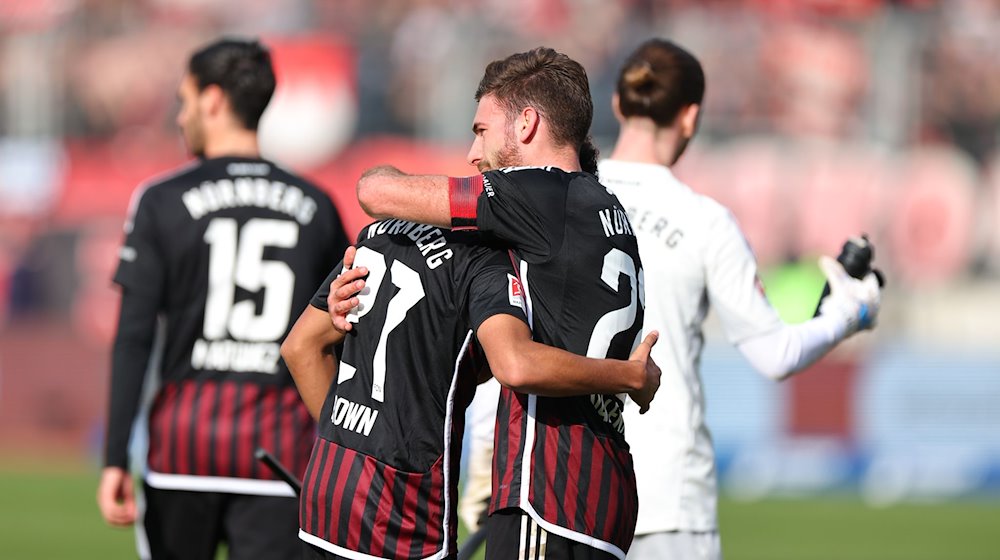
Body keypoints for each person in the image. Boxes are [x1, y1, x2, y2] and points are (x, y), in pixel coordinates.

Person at [353, 47, 646, 560]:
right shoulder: (603, 204)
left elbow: (377, 192)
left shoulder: (535, 192)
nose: (473, 151)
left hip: (550, 490)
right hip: (606, 488)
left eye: (483, 130)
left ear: (528, 123)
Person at [599, 39, 883, 559]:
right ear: (690, 117)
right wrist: (850, 311)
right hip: (669, 495)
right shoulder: (705, 222)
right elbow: (776, 354)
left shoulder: (564, 195)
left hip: (567, 487)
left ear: (618, 104)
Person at [95, 38, 349, 559]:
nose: (181, 116)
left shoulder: (161, 199)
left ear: (212, 101)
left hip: (182, 453)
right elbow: (342, 337)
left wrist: (116, 454)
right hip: (282, 453)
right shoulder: (318, 206)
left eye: (184, 101)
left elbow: (134, 336)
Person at [284, 227, 659, 559]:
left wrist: (347, 436)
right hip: (400, 511)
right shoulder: (486, 262)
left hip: (326, 494)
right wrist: (628, 375)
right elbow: (515, 366)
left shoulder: (377, 234)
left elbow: (300, 348)